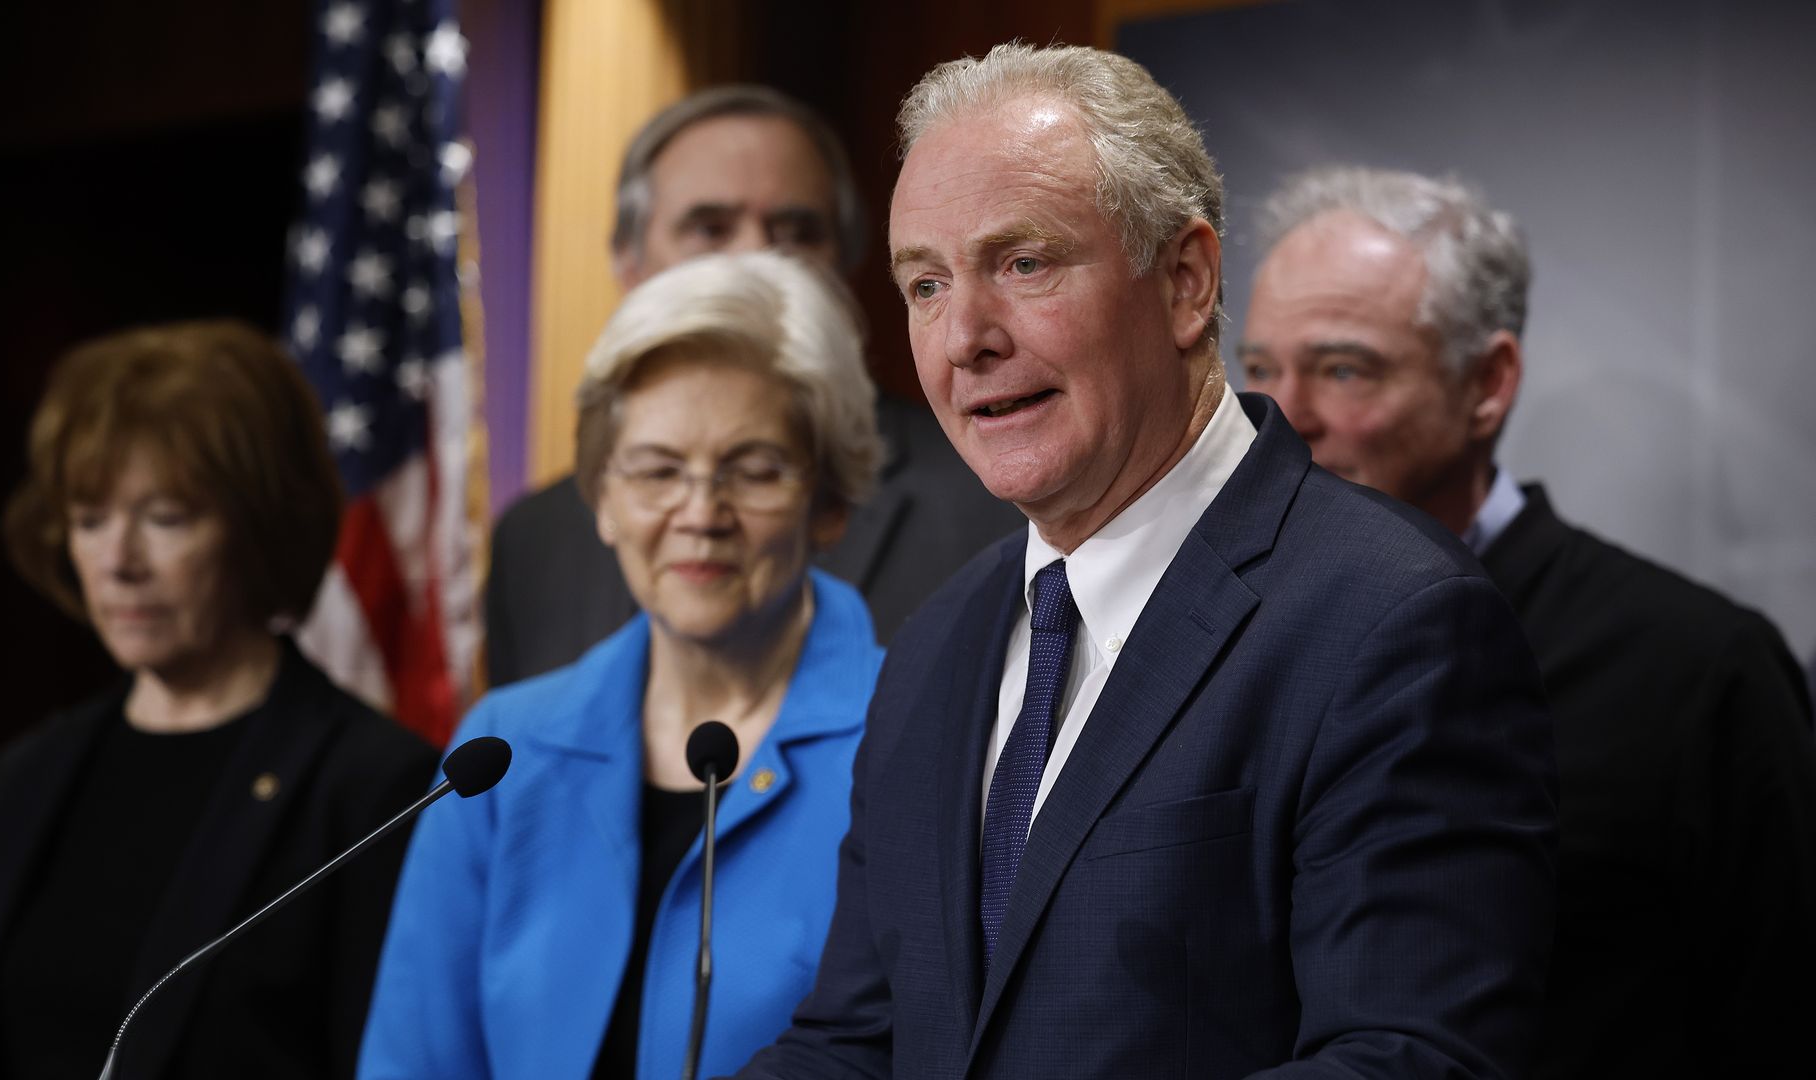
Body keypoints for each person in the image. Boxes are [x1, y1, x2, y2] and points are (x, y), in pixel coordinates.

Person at [735, 44, 1557, 1080]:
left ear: (1184, 281)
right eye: (927, 284)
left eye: (1023, 263)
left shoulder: (1395, 620)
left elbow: (1413, 1058)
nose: (963, 339)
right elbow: (857, 1043)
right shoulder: (937, 643)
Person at [1239, 164, 1816, 1078]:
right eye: (1261, 371)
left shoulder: (1702, 670)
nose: (1283, 420)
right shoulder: (1225, 641)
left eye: (1344, 368)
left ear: (1488, 384)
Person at [360, 252, 888, 1079]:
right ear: (604, 498)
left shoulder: (915, 736)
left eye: (752, 471)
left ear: (829, 505)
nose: (700, 514)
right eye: (657, 470)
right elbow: (414, 1063)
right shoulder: (501, 750)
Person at [0, 321, 439, 1080]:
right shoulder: (29, 775)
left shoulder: (372, 786)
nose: (117, 563)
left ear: (259, 528)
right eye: (89, 520)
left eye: (165, 518)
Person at [486, 85, 1020, 681]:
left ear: (849, 264)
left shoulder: (997, 501)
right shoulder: (535, 540)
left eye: (795, 231)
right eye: (710, 228)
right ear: (627, 264)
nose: (758, 258)